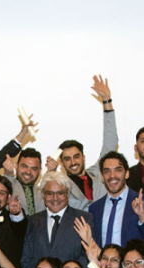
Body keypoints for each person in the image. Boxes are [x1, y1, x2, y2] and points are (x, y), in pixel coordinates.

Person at [44, 74, 118, 210]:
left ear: (83, 157)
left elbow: (110, 140)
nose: (73, 162)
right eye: (67, 159)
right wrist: (50, 175)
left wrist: (107, 101)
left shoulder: (99, 172)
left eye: (76, 157)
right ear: (61, 163)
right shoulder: (61, 186)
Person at [19, 171, 93, 268]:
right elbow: (26, 259)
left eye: (60, 193)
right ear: (43, 195)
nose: (55, 198)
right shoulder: (31, 222)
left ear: (67, 194)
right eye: (49, 193)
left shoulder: (84, 219)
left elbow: (87, 255)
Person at [88, 151, 144, 247]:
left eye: (118, 170)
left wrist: (142, 218)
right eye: (107, 171)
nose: (112, 176)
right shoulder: (94, 208)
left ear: (127, 174)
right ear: (102, 177)